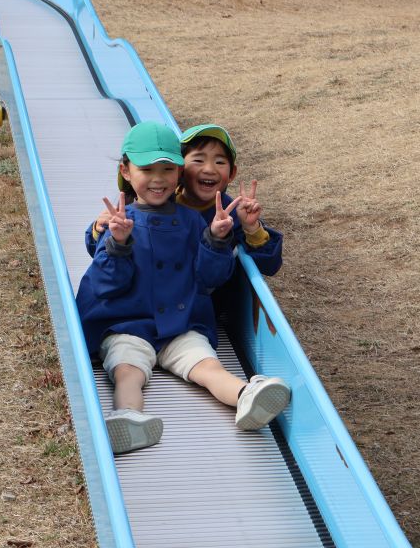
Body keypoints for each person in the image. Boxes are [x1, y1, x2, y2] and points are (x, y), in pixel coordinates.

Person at [76, 121, 291, 454]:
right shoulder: (121, 221)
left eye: (167, 169)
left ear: (178, 174)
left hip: (181, 322)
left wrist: (217, 241)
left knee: (207, 365)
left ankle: (245, 395)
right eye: (147, 169)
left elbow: (207, 278)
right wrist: (115, 242)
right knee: (127, 370)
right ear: (126, 171)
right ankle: (130, 417)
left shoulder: (196, 219)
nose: (158, 178)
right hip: (129, 323)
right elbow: (106, 283)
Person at [86, 124, 283, 277]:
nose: (209, 169)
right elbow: (101, 250)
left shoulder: (232, 213)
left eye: (220, 162)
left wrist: (252, 229)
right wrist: (98, 229)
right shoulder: (157, 200)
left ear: (232, 173)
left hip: (205, 297)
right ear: (179, 169)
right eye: (198, 160)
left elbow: (268, 266)